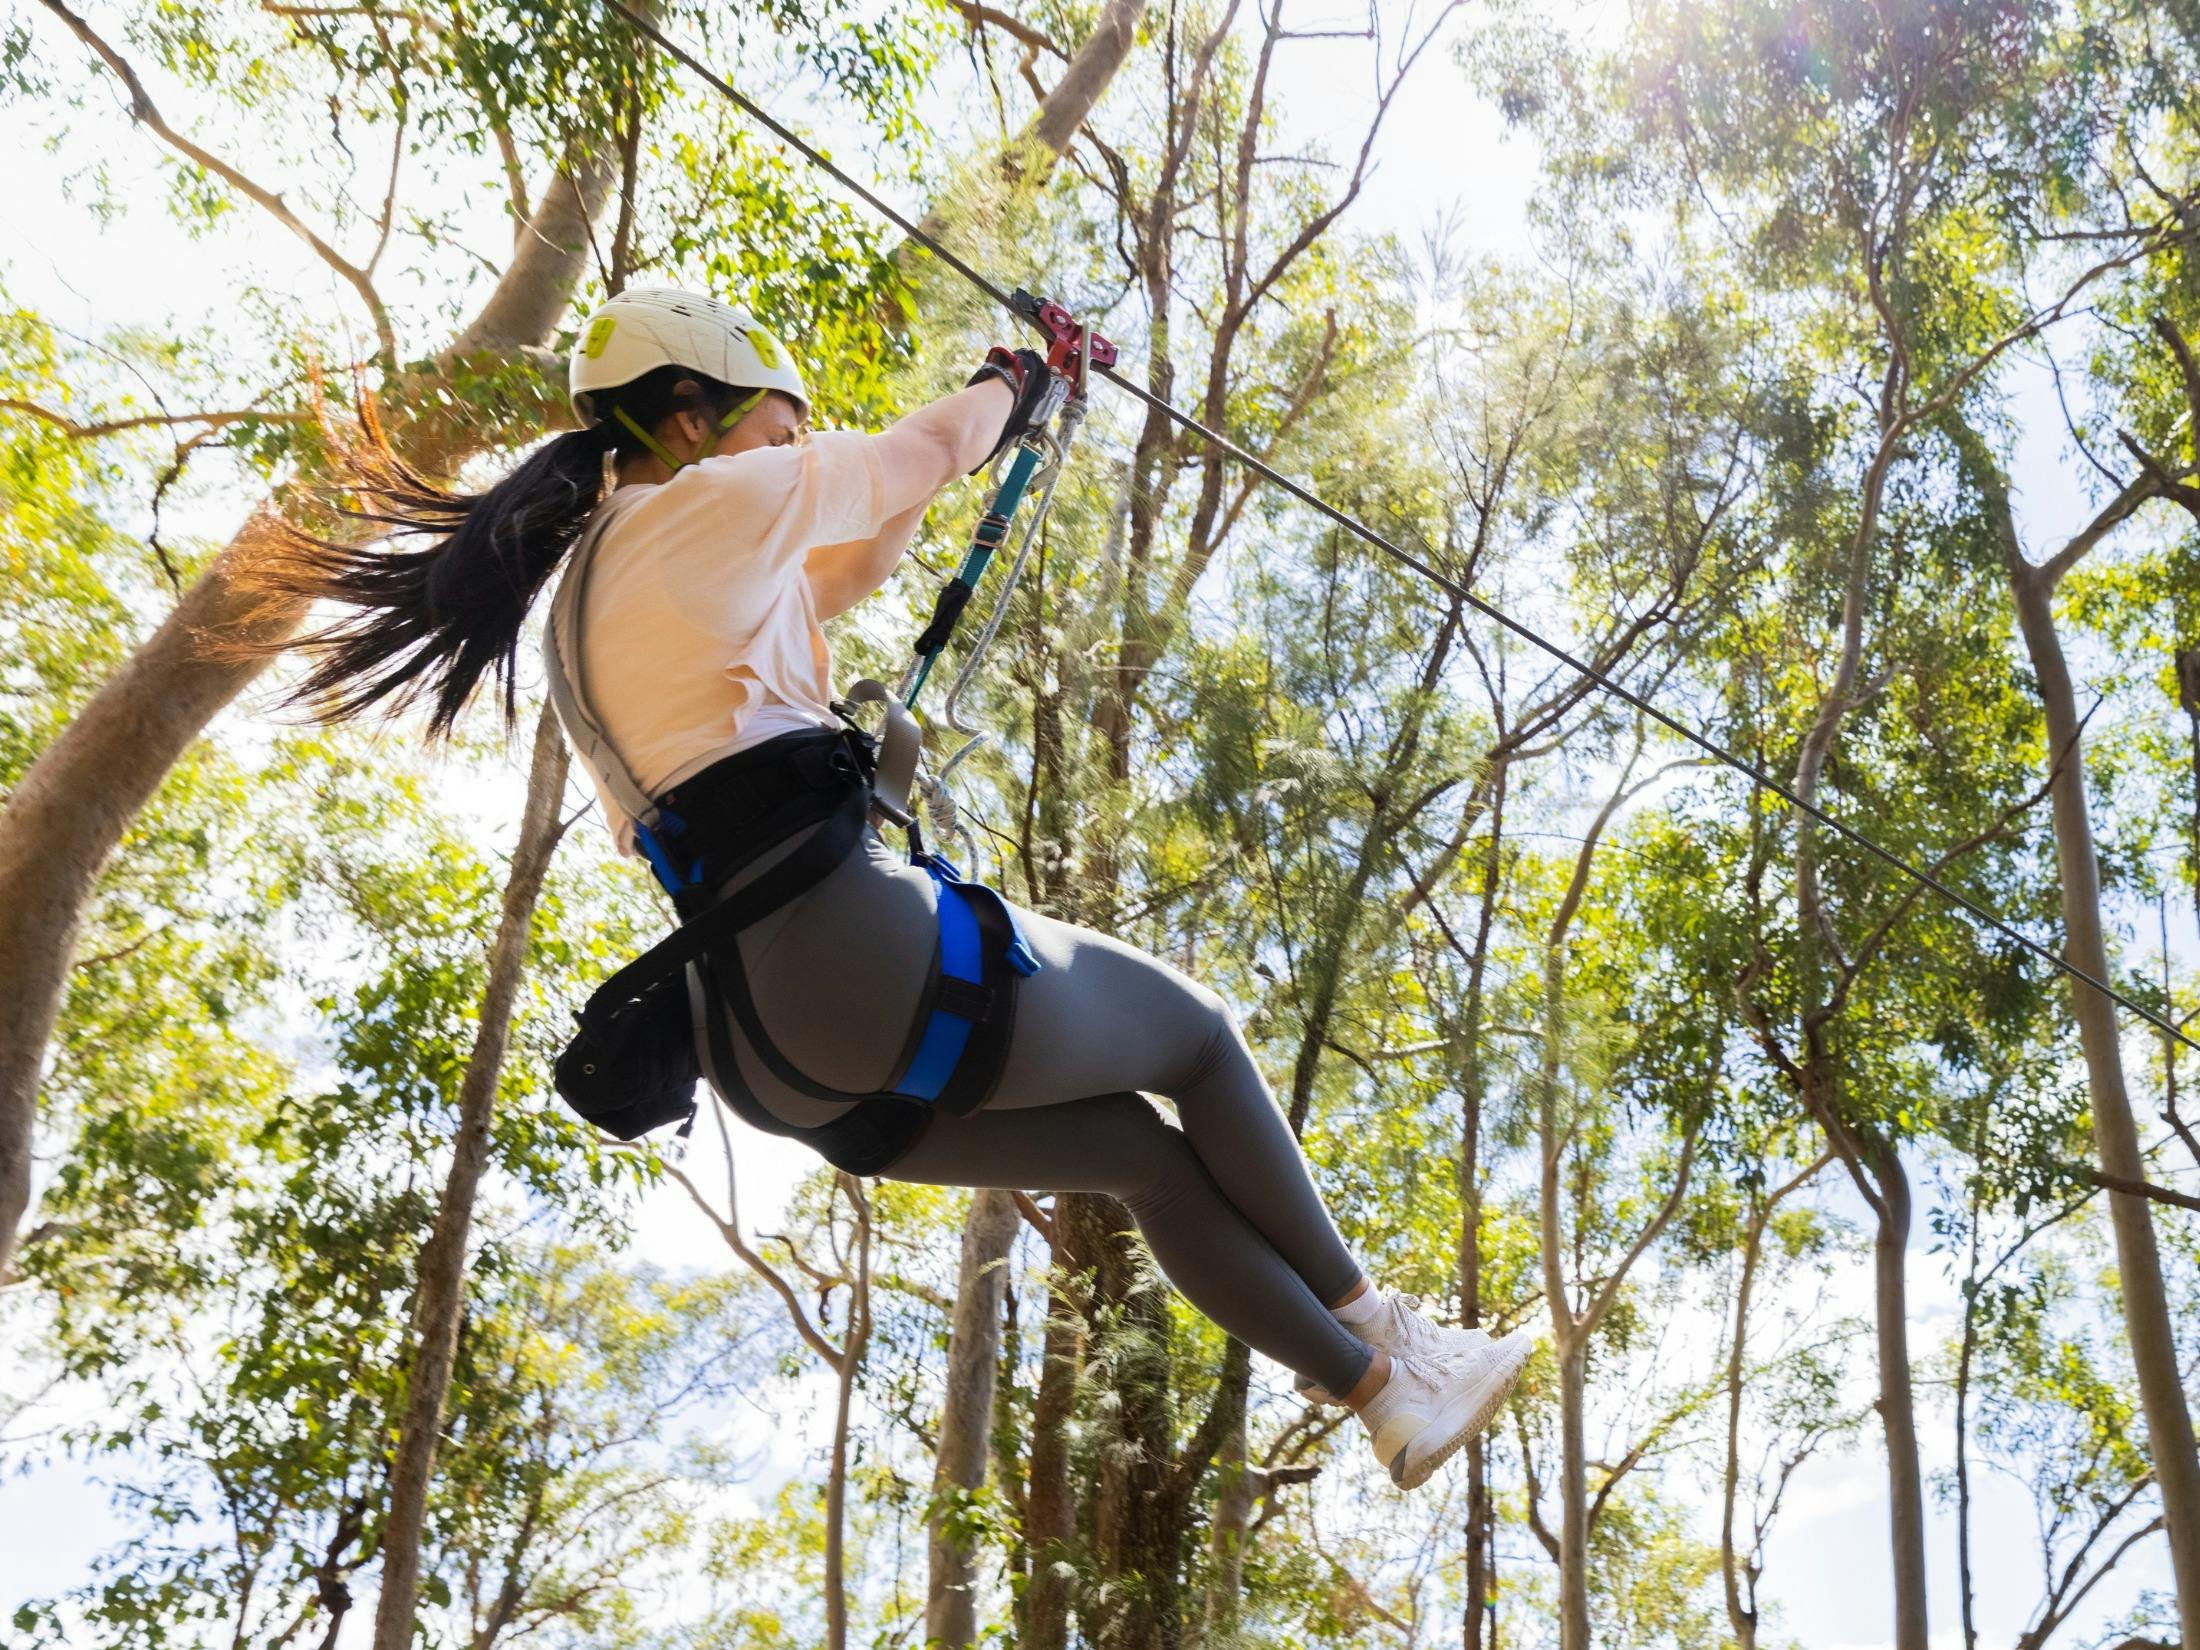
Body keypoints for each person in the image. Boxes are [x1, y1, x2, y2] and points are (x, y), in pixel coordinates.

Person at [266, 285, 1532, 1489]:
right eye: (778, 424)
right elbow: (916, 453)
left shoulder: (601, 602)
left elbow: (852, 564)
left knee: (1139, 1160)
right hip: (843, 952)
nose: (790, 449)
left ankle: (1374, 1395)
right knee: (1195, 1038)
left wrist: (986, 438)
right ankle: (1393, 1332)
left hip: (770, 1060)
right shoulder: (697, 506)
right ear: (693, 418)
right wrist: (1008, 378)